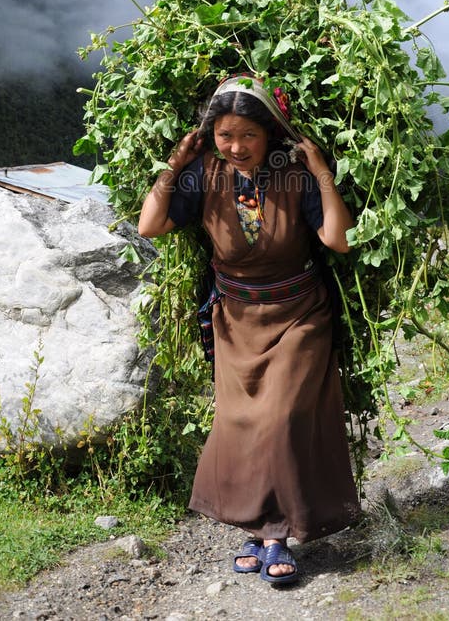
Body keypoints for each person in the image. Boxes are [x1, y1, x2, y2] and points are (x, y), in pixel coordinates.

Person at [138, 75, 360, 585]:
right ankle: (260, 528)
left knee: (281, 419)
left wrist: (323, 171)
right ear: (209, 135)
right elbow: (149, 225)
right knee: (242, 424)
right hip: (235, 321)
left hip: (300, 315)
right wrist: (176, 162)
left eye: (248, 136)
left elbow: (339, 240)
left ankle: (275, 535)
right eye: (224, 135)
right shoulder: (202, 176)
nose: (235, 147)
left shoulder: (297, 176)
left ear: (270, 133)